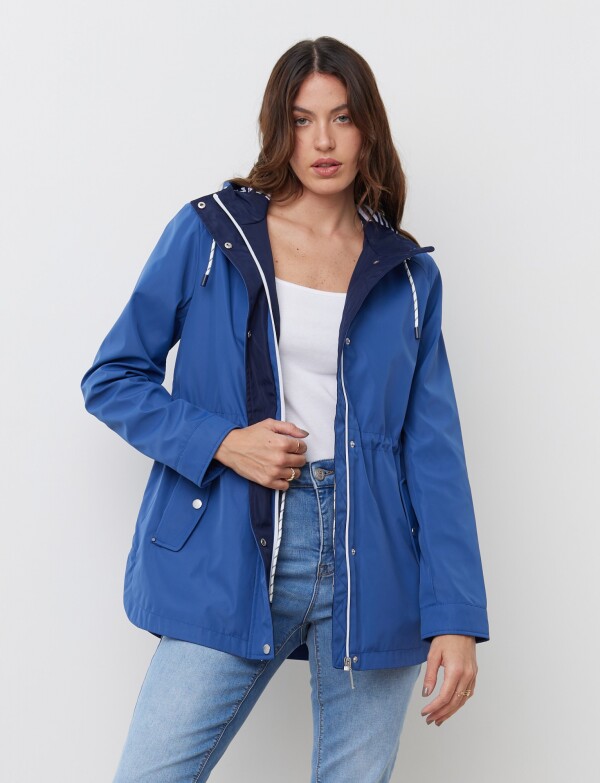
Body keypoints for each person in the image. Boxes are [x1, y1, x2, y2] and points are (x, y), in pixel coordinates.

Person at [81, 35, 490, 783]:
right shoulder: (211, 233)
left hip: (373, 560)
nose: (323, 141)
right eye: (303, 120)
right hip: (231, 544)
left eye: (341, 118)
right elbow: (113, 376)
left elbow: (434, 451)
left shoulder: (407, 274)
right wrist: (223, 441)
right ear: (280, 128)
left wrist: (456, 615)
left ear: (367, 128)